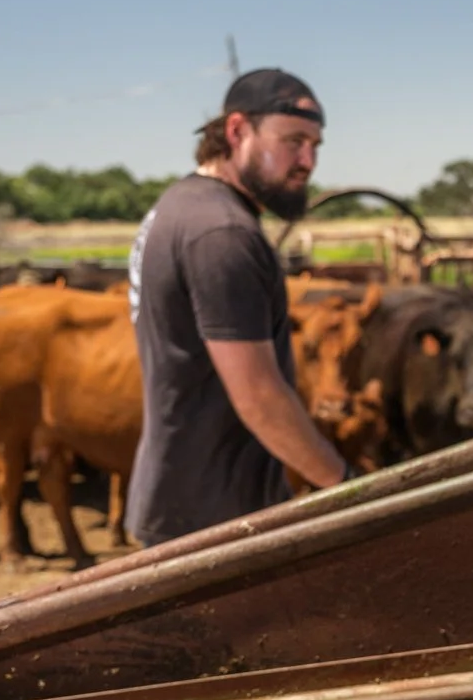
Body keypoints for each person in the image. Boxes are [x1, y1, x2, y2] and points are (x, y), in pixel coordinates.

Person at [124, 68, 348, 545]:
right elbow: (259, 396)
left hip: (186, 498)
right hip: (215, 519)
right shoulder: (223, 233)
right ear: (237, 131)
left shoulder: (179, 205)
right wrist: (342, 485)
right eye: (293, 141)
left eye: (315, 146)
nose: (307, 160)